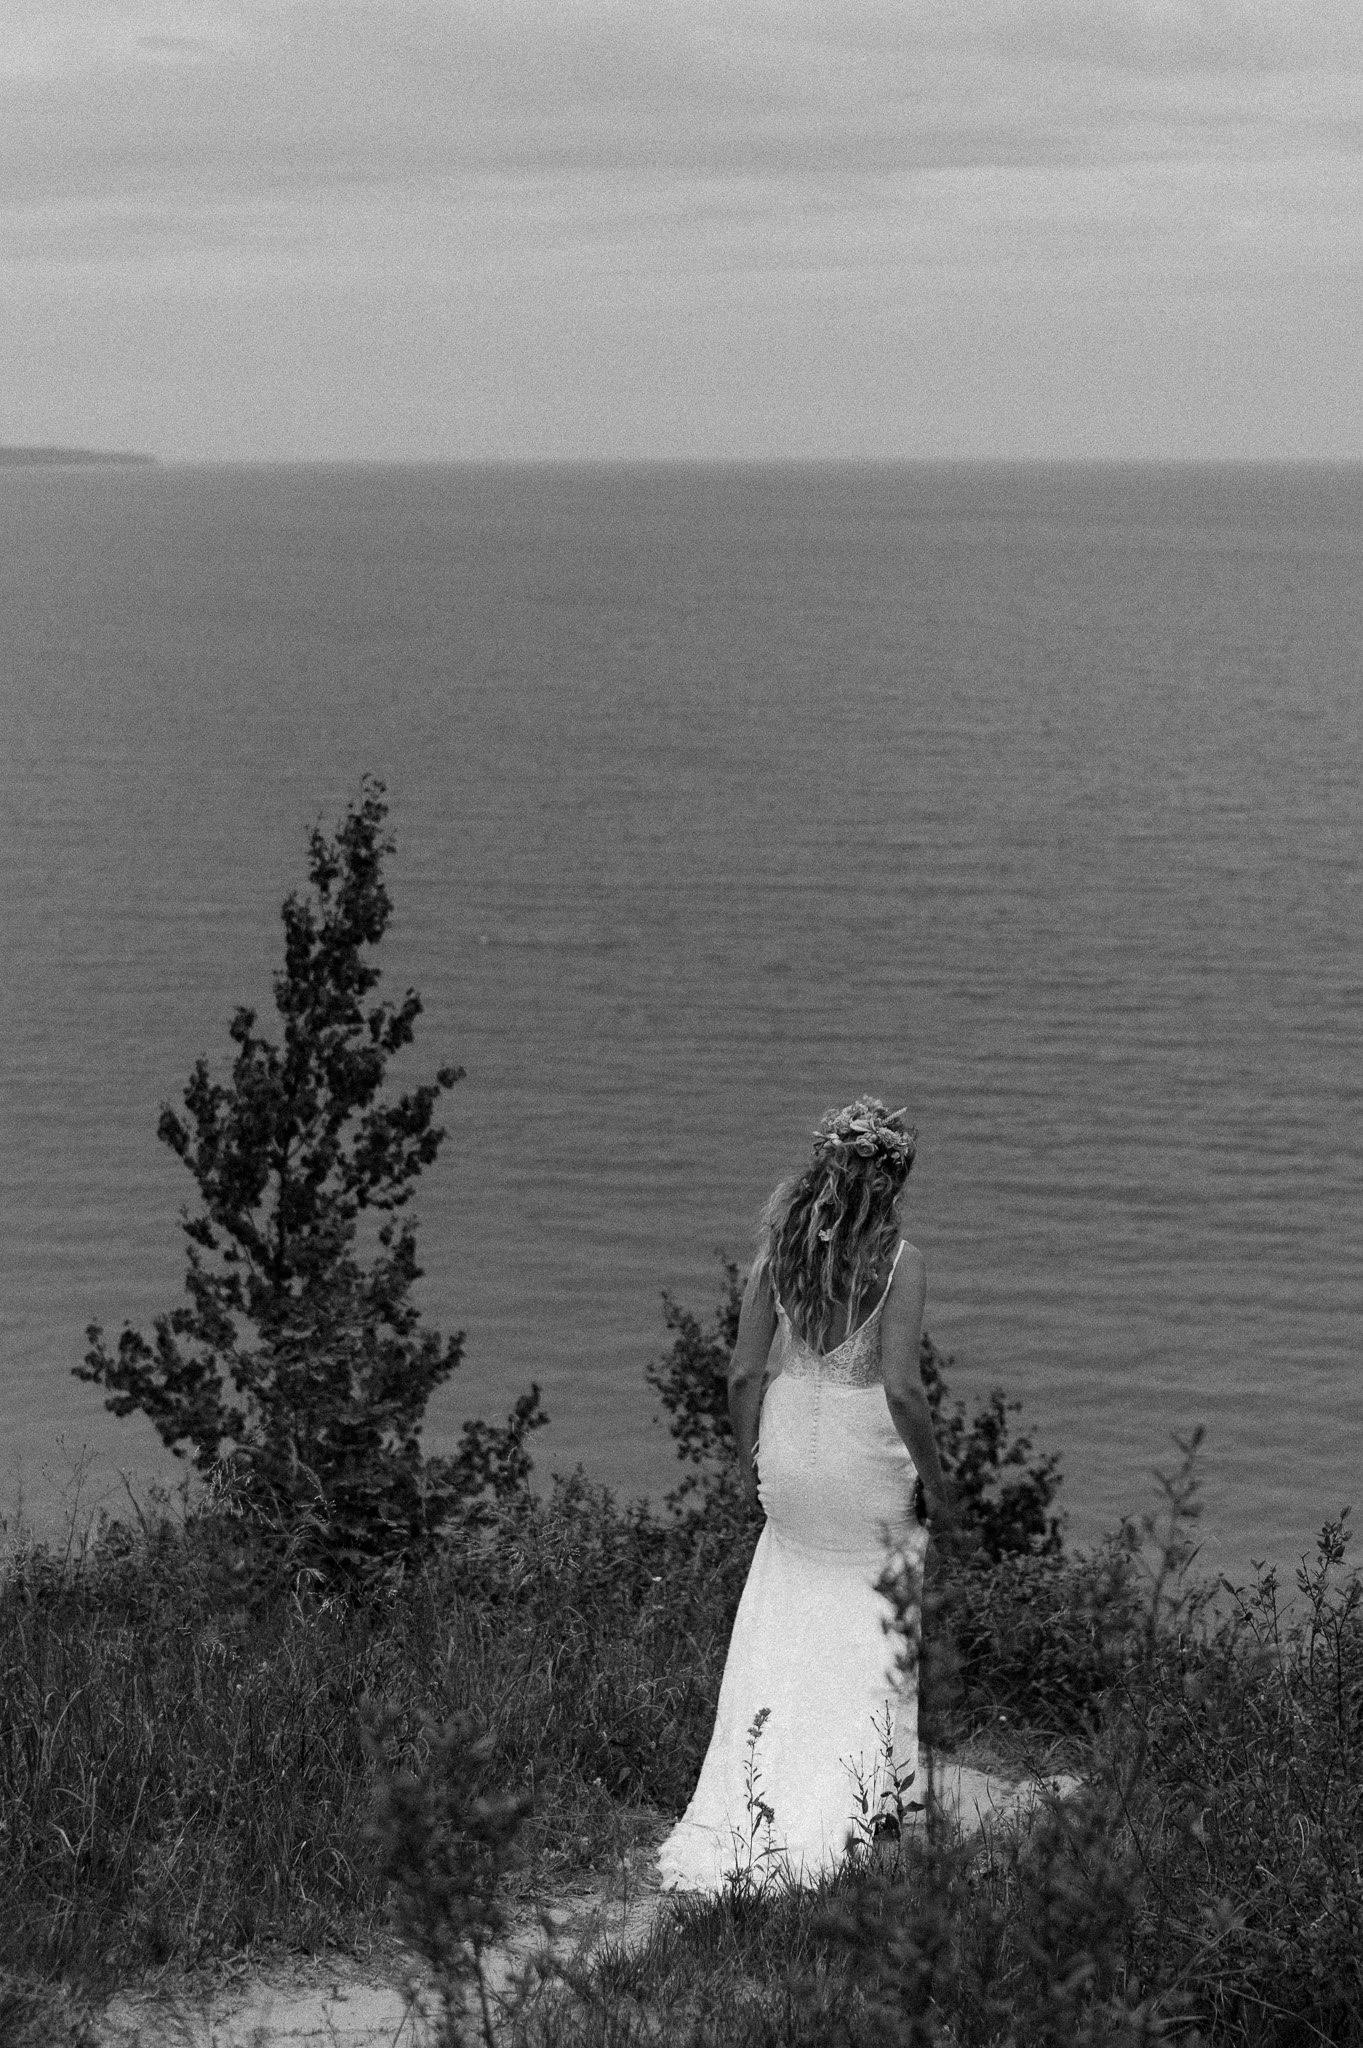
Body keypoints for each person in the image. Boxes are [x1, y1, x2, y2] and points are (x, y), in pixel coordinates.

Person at [658, 1098, 956, 1893]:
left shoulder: (776, 1257)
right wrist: (938, 1483)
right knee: (873, 1602)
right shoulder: (901, 1264)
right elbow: (901, 1388)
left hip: (788, 1449)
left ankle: (757, 1784)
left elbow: (743, 1374)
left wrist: (749, 1455)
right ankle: (869, 1797)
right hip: (862, 1456)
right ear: (889, 1182)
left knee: (785, 1600)